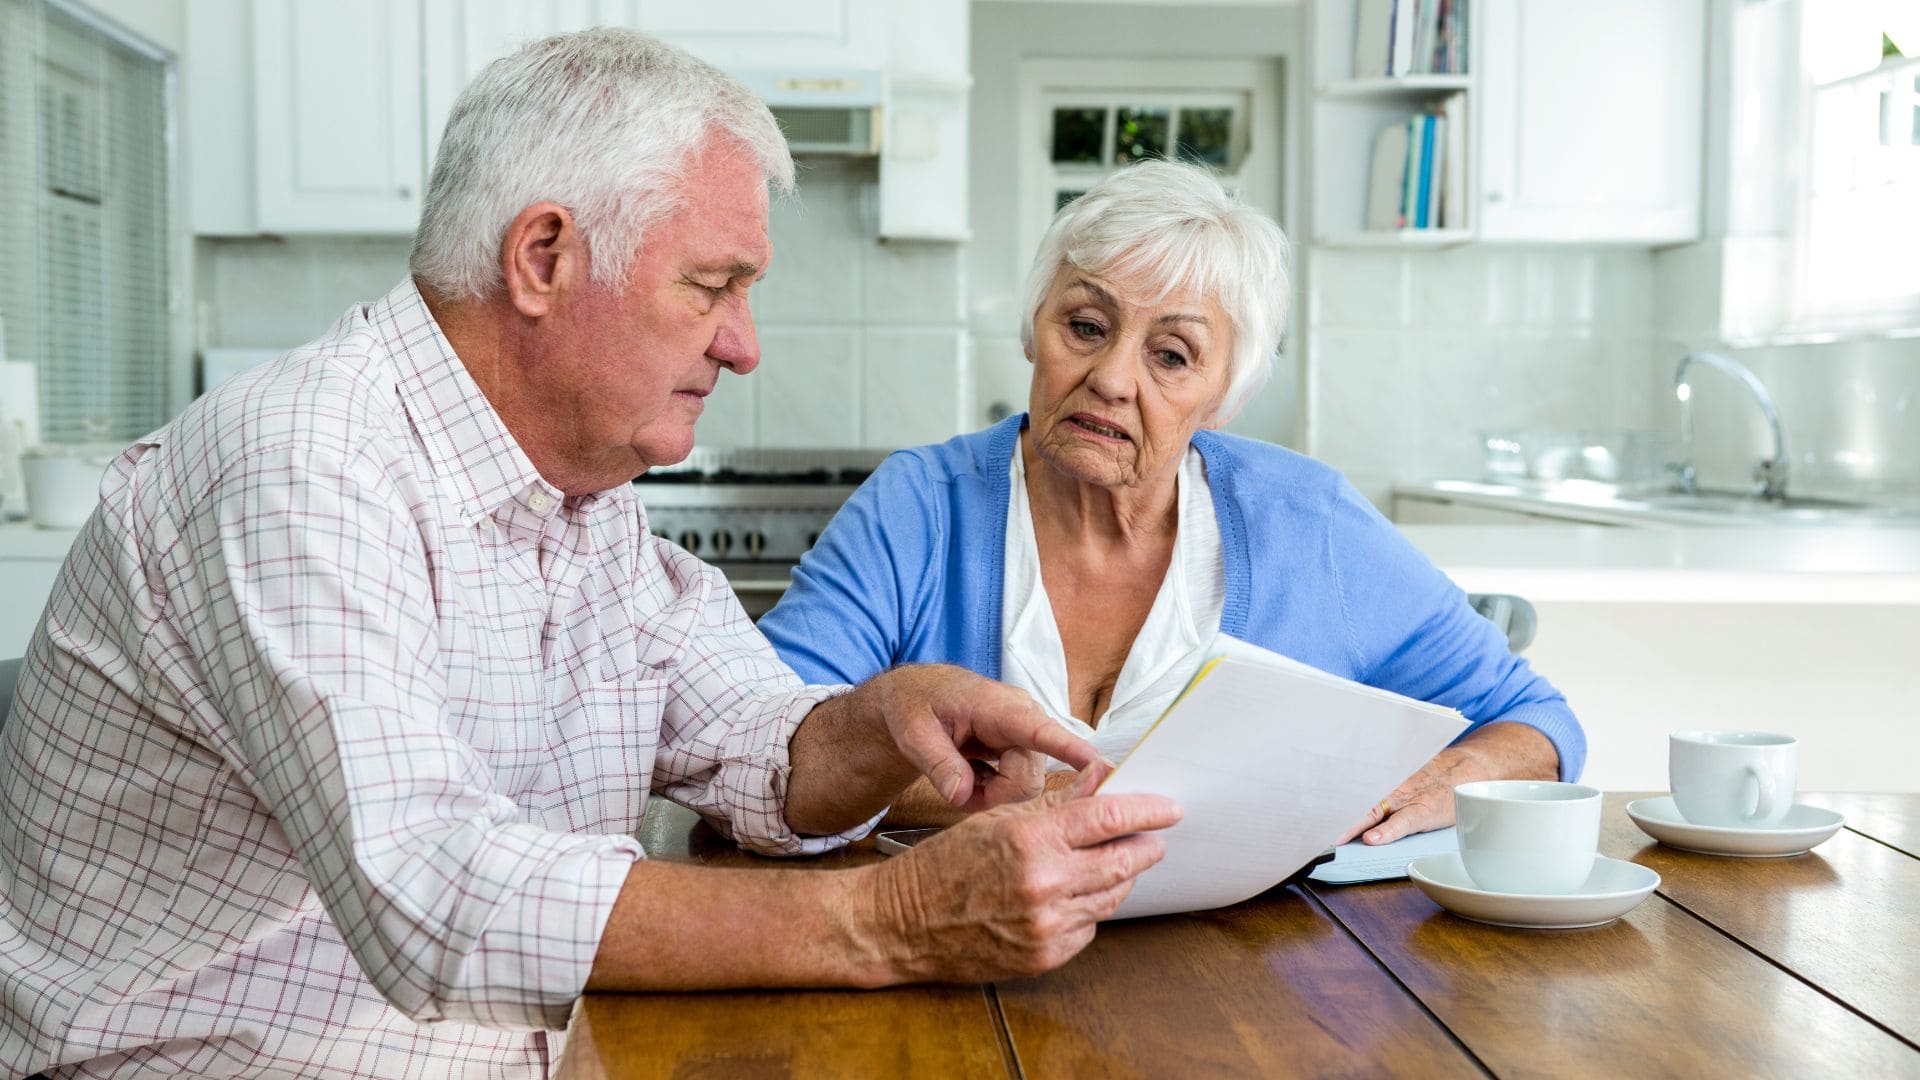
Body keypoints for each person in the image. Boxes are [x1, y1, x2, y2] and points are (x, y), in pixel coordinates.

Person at [0, 30, 1182, 1079]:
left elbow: (751, 738)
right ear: (545, 257)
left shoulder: (577, 488)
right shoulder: (301, 461)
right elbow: (433, 891)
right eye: (714, 287)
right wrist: (892, 922)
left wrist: (881, 724)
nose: (745, 346)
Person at [759, 160, 1585, 837]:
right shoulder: (920, 507)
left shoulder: (1309, 522)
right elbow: (766, 747)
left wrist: (1439, 781)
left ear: (1224, 396)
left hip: (1248, 986)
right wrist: (1009, 803)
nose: (1112, 380)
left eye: (1173, 356)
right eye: (1085, 327)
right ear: (1032, 327)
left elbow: (1535, 722)